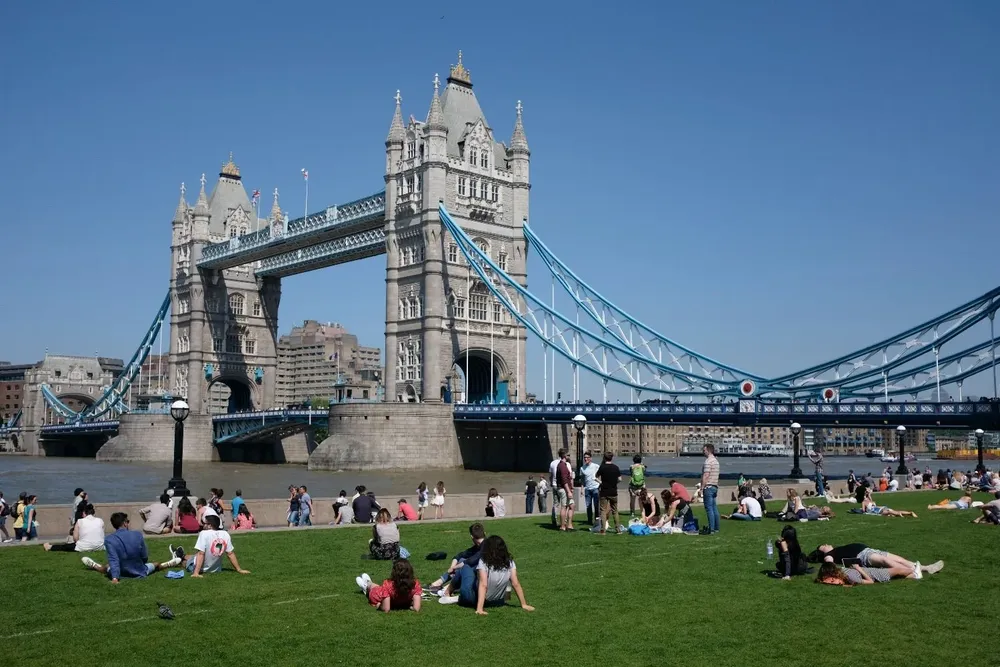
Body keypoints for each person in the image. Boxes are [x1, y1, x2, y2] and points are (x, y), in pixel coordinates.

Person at [439, 535, 534, 615]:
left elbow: (483, 585)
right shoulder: (509, 562)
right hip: (498, 601)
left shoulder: (484, 561)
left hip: (475, 599)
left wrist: (480, 609)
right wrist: (524, 604)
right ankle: (454, 594)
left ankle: (447, 592)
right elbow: (515, 583)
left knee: (465, 567)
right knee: (472, 572)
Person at [81, 512, 181, 583]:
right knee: (156, 564)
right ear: (125, 523)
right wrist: (141, 563)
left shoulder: (109, 539)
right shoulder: (137, 535)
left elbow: (113, 559)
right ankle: (166, 564)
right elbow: (144, 556)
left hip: (121, 572)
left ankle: (95, 566)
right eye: (127, 521)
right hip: (140, 570)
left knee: (106, 567)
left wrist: (115, 578)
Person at [173, 514, 250, 577]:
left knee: (185, 562)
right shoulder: (225, 534)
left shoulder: (204, 533)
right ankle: (182, 555)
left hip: (201, 568)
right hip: (215, 569)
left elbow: (201, 554)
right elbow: (230, 553)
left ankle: (179, 558)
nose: (202, 524)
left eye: (204, 523)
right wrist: (239, 569)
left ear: (210, 525)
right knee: (195, 555)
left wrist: (196, 572)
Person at [807, 543, 944, 578]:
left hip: (869, 550)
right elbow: (829, 564)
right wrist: (827, 558)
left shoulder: (835, 549)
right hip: (863, 556)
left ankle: (926, 568)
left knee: (899, 559)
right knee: (885, 561)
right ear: (822, 551)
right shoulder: (829, 554)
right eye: (823, 546)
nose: (826, 544)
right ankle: (914, 572)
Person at [429, 523, 487, 593]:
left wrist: (454, 568)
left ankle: (446, 588)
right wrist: (452, 566)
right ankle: (439, 583)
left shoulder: (486, 546)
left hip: (483, 575)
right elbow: (459, 555)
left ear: (472, 536)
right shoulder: (479, 545)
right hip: (480, 572)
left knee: (465, 566)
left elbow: (471, 561)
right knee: (462, 560)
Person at [356, 558, 422, 612]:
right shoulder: (415, 584)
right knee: (377, 587)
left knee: (374, 588)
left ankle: (367, 585)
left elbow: (386, 608)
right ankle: (367, 583)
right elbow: (416, 608)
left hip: (379, 596)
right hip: (395, 599)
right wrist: (410, 607)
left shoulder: (388, 584)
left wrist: (379, 605)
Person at [596, 451, 622, 534]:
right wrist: (614, 483)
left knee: (603, 510)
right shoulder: (616, 467)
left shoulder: (602, 467)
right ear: (612, 458)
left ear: (604, 458)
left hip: (604, 491)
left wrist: (601, 483)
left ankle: (603, 530)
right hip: (613, 491)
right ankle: (618, 529)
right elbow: (620, 479)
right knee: (615, 510)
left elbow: (595, 477)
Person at [701, 444, 720, 534]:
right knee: (714, 508)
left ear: (708, 451)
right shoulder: (716, 461)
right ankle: (716, 528)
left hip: (708, 487)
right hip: (715, 486)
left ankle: (711, 529)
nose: (703, 452)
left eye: (704, 450)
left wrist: (702, 487)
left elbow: (706, 475)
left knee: (709, 509)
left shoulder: (708, 461)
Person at [555, 449, 575, 531]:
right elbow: (564, 480)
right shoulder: (562, 466)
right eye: (568, 455)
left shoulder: (563, 465)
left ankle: (569, 525)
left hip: (565, 489)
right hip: (564, 489)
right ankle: (562, 526)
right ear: (564, 456)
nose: (569, 456)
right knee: (564, 507)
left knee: (572, 505)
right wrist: (569, 491)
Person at [579, 451, 600, 526]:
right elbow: (582, 480)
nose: (585, 459)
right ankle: (589, 521)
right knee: (588, 506)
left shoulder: (596, 466)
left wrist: (601, 484)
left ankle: (597, 520)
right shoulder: (582, 468)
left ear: (591, 458)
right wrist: (582, 489)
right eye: (584, 457)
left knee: (596, 505)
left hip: (595, 488)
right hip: (587, 489)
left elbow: (600, 475)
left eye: (587, 457)